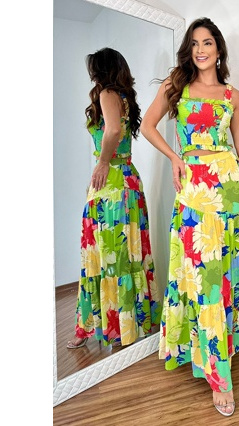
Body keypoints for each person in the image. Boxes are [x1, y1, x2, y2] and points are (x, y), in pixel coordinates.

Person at [141, 18, 239, 417]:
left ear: (219, 49)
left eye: (207, 42)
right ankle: (219, 379)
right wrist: (175, 157)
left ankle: (221, 359)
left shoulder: (232, 96)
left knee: (228, 278)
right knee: (205, 281)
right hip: (194, 191)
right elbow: (147, 126)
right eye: (194, 43)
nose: (200, 49)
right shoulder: (176, 86)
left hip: (231, 188)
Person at [67, 47, 162, 350]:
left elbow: (112, 130)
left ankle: (102, 327)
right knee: (128, 254)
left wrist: (102, 162)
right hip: (128, 181)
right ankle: (128, 325)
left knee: (107, 256)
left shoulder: (107, 93)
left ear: (100, 70)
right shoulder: (124, 97)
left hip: (112, 186)